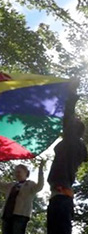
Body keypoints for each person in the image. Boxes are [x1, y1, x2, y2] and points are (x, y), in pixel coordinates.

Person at [47, 81, 88, 234]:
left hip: (61, 196)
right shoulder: (78, 147)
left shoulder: (72, 141)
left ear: (73, 129)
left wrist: (72, 93)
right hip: (61, 195)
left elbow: (68, 113)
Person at [0, 160, 44, 234]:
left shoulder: (30, 185)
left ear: (26, 173)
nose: (17, 174)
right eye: (15, 172)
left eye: (19, 172)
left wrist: (40, 170)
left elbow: (39, 186)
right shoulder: (11, 185)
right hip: (7, 215)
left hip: (20, 216)